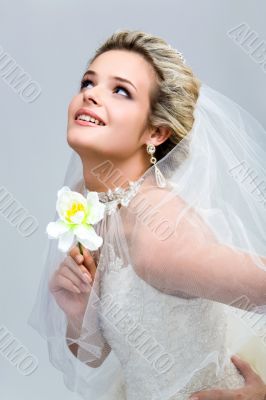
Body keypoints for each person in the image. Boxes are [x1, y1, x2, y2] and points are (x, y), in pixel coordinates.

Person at [28, 30, 266, 400]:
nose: (90, 93)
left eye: (120, 90)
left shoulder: (159, 228)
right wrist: (78, 311)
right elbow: (93, 354)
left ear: (155, 132)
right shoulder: (87, 202)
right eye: (88, 82)